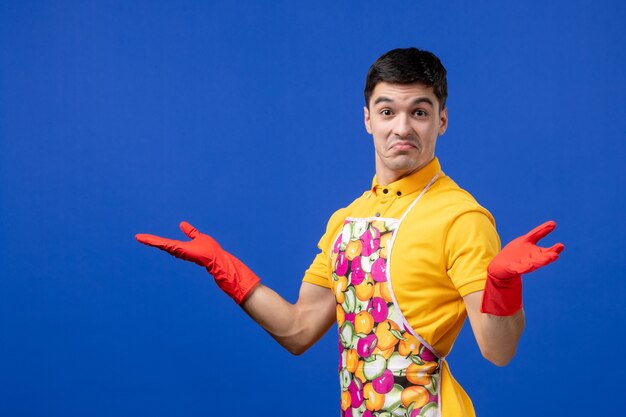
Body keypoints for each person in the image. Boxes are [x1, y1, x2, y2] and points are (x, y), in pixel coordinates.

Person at [136, 48, 564, 417]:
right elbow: (297, 328)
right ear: (367, 119)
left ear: (442, 120)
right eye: (387, 111)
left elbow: (499, 351)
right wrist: (223, 267)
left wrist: (502, 285)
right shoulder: (347, 219)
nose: (402, 127)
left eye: (419, 111)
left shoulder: (461, 217)